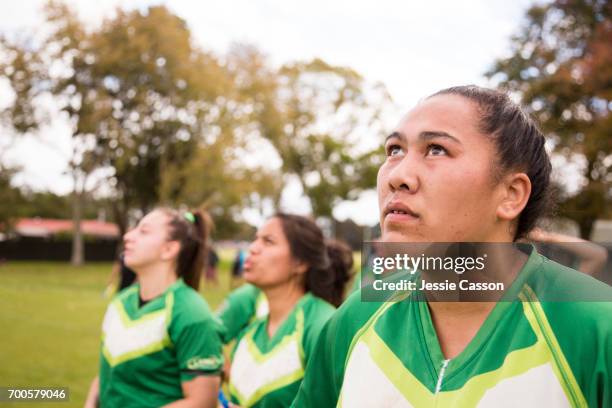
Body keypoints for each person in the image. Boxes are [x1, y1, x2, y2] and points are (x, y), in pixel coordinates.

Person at [292, 85, 612, 407]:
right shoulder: (357, 318)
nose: (397, 175)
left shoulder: (596, 325)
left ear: (511, 194)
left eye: (436, 149)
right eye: (394, 150)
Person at [84, 208, 224, 408]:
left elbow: (202, 402)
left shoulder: (192, 313)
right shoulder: (120, 302)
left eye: (144, 231)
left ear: (169, 250)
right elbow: (108, 372)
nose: (128, 236)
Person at [227, 213, 353, 407]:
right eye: (255, 239)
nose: (252, 248)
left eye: (268, 241)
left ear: (300, 263)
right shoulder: (249, 334)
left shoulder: (322, 326)